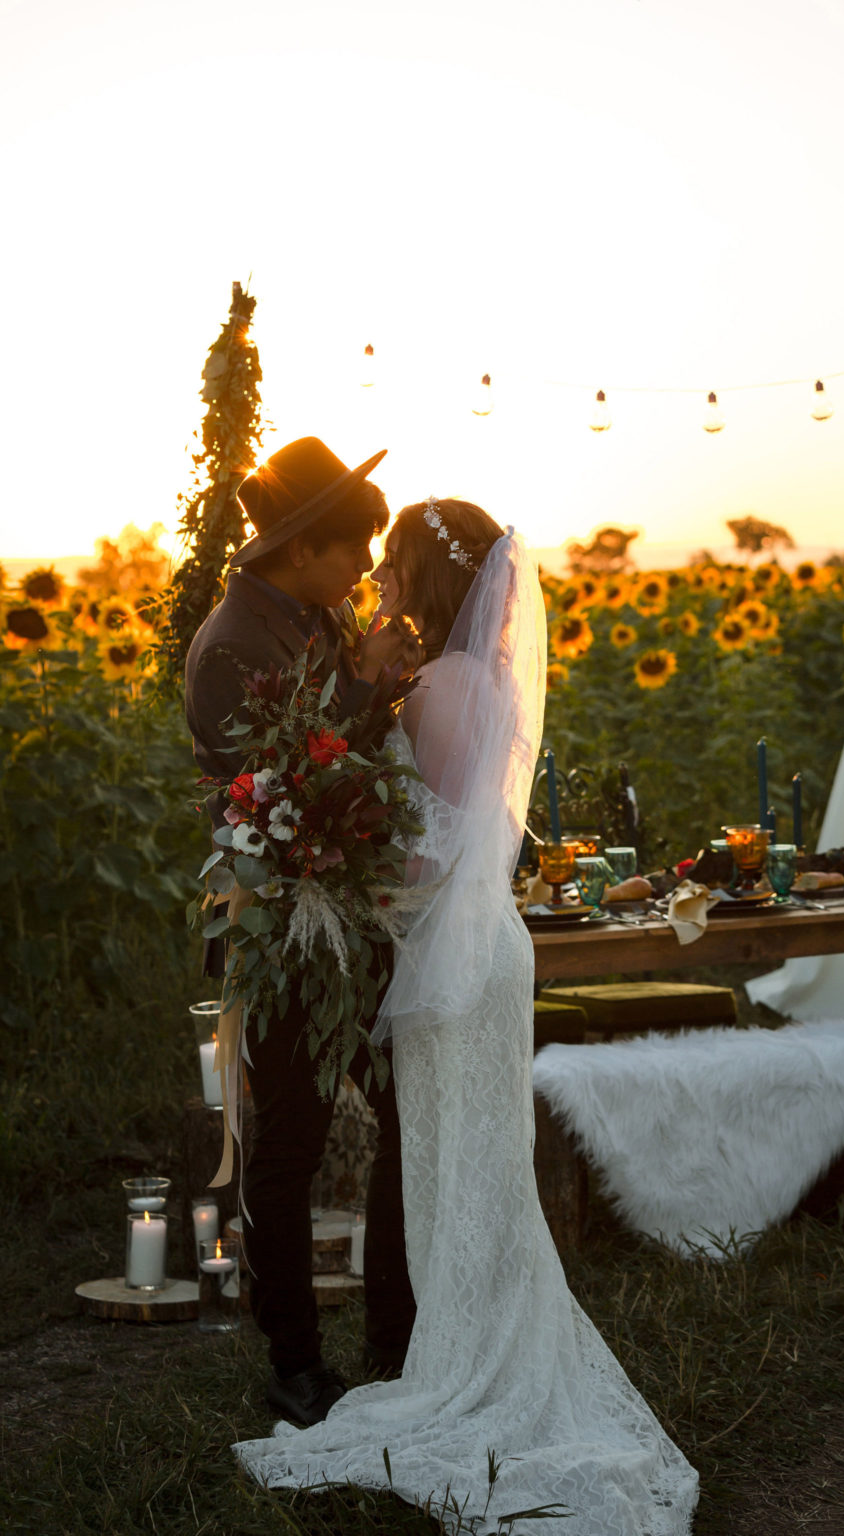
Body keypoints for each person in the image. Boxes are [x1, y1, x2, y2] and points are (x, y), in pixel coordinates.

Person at [233, 499, 699, 1534]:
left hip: (456, 960)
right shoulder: (468, 679)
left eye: (392, 566)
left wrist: (332, 863)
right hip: (474, 955)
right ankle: (461, 1346)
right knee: (466, 1168)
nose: (379, 582)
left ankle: (468, 1369)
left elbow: (429, 850)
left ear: (428, 578)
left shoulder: (438, 688)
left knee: (461, 1167)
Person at [184, 436, 418, 1428]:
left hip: (345, 913)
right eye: (351, 547)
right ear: (297, 548)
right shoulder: (234, 641)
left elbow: (344, 752)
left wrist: (384, 678)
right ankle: (293, 1363)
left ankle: (394, 1332)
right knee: (289, 1142)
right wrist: (365, 685)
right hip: (279, 924)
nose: (364, 567)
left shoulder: (309, 614)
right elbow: (280, 789)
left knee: (406, 1095)